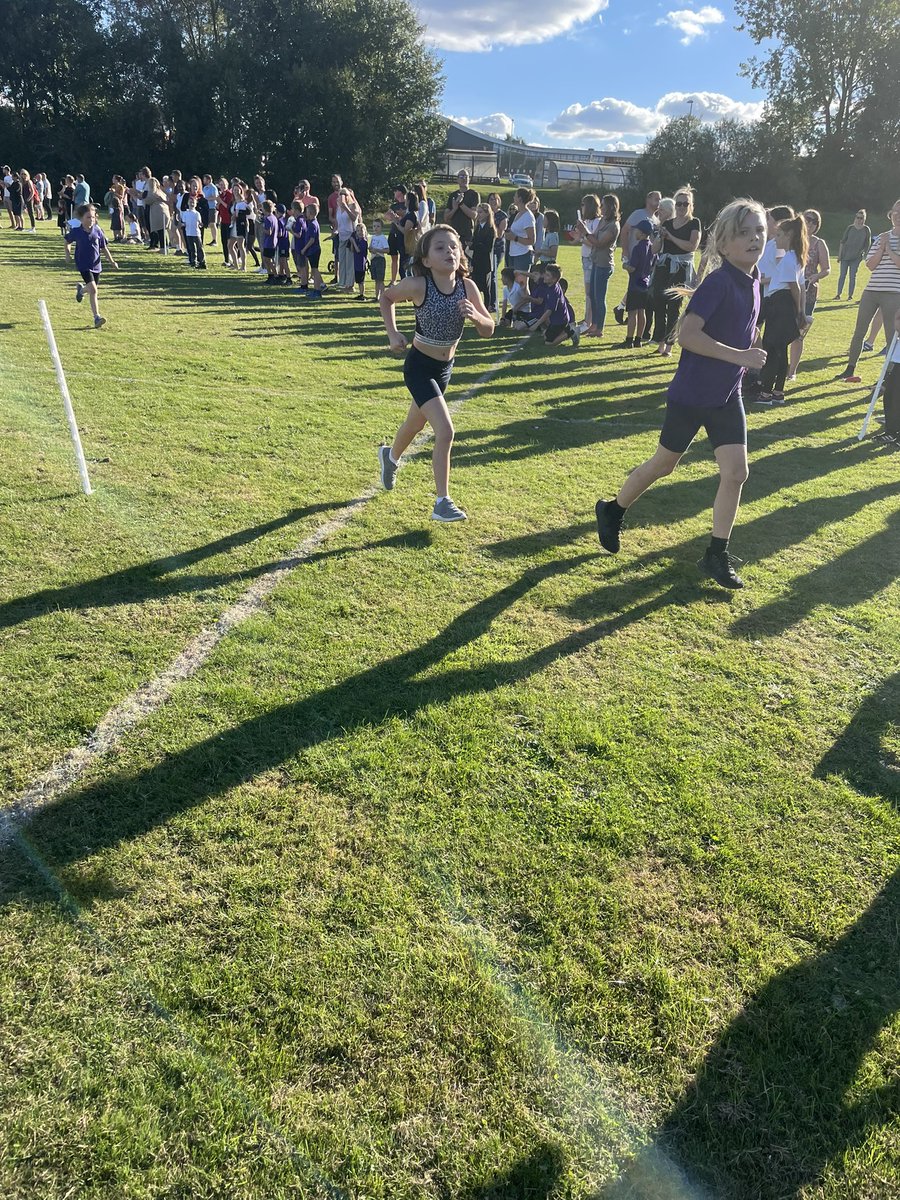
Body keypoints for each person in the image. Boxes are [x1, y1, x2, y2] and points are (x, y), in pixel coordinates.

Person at [595, 198, 768, 589]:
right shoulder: (719, 282)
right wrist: (740, 354)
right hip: (691, 396)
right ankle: (612, 510)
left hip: (727, 395)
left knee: (737, 472)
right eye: (744, 232)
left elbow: (738, 328)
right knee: (663, 465)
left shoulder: (754, 279)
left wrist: (750, 346)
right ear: (723, 245)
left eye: (759, 230)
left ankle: (716, 554)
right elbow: (688, 336)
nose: (754, 238)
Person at [378, 224, 494, 522]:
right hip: (419, 366)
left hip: (445, 369)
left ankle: (390, 457)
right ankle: (442, 502)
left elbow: (489, 329)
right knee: (445, 431)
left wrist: (476, 316)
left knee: (414, 424)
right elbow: (386, 297)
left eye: (453, 246)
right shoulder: (419, 284)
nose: (449, 252)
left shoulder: (467, 287)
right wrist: (392, 334)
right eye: (440, 247)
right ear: (426, 259)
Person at [838, 198, 900, 383]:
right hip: (872, 290)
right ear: (891, 215)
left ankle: (887, 377)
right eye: (895, 213)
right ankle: (850, 368)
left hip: (893, 293)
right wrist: (882, 247)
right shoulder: (882, 236)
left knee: (891, 336)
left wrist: (889, 249)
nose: (898, 217)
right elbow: (870, 265)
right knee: (859, 331)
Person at [756, 216, 808, 404]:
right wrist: (799, 309)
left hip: (780, 304)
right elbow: (801, 286)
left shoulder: (788, 258)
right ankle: (778, 392)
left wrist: (799, 310)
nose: (775, 238)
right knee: (780, 350)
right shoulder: (796, 257)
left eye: (779, 235)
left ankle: (766, 393)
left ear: (789, 235)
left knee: (772, 348)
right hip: (783, 305)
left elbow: (794, 286)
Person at [650, 187, 701, 355]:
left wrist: (671, 237)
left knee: (673, 305)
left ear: (691, 205)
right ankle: (659, 340)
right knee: (658, 298)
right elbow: (655, 250)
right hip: (664, 265)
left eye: (685, 204)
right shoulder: (667, 223)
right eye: (678, 204)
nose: (681, 207)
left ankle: (669, 346)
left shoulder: (694, 223)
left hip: (681, 268)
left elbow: (691, 246)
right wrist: (660, 236)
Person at [787, 209, 829, 380]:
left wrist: (815, 276)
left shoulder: (819, 244)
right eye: (806, 220)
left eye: (813, 222)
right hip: (788, 288)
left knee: (799, 332)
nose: (809, 224)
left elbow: (827, 269)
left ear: (816, 226)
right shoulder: (792, 240)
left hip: (808, 291)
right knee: (783, 329)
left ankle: (792, 371)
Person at [65, 203, 118, 327]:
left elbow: (104, 248)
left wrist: (112, 261)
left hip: (96, 265)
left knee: (91, 290)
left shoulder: (98, 231)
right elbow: (67, 242)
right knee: (94, 290)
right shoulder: (76, 231)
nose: (91, 220)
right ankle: (96, 318)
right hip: (83, 264)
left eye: (93, 217)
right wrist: (68, 254)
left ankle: (81, 291)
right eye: (88, 217)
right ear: (81, 219)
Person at [613, 190, 661, 323]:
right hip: (635, 257)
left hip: (646, 260)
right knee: (638, 285)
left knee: (640, 285)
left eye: (660, 199)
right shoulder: (638, 214)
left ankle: (623, 308)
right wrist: (625, 251)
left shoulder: (657, 219)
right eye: (656, 199)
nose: (658, 202)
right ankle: (629, 310)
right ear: (648, 199)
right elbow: (625, 231)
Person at [581, 194, 619, 338]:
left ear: (610, 207)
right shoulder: (603, 220)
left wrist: (585, 232)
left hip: (604, 264)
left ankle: (599, 328)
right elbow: (594, 237)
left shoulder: (613, 225)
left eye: (603, 205)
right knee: (592, 294)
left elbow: (599, 243)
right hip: (596, 261)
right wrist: (585, 231)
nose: (600, 208)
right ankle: (594, 325)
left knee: (599, 296)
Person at [622, 220, 656, 348]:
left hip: (635, 284)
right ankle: (638, 339)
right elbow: (653, 265)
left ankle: (629, 340)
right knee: (642, 312)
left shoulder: (638, 248)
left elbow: (632, 268)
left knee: (632, 313)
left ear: (641, 234)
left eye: (636, 231)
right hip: (645, 284)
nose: (634, 232)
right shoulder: (652, 247)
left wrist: (625, 265)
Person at [573, 193, 601, 329]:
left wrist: (582, 237)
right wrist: (577, 236)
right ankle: (586, 319)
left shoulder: (597, 222)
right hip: (585, 258)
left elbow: (593, 242)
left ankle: (588, 321)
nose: (582, 207)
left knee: (591, 292)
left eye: (584, 205)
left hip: (591, 258)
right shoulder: (588, 221)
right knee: (588, 292)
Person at [540, 263, 580, 347]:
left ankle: (570, 332)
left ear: (554, 279)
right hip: (558, 319)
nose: (544, 276)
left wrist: (537, 323)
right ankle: (565, 331)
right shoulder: (553, 284)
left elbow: (549, 311)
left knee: (548, 343)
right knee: (545, 336)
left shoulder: (553, 293)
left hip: (560, 321)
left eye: (547, 275)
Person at [836, 210, 871, 301]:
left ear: (864, 219)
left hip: (856, 257)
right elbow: (842, 242)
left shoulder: (866, 230)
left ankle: (850, 295)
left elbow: (867, 244)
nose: (859, 220)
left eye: (861, 218)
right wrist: (839, 255)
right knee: (842, 275)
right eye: (858, 217)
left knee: (852, 276)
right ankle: (838, 294)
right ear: (855, 218)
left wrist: (864, 255)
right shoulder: (850, 228)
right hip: (845, 256)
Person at [444, 169, 479, 251]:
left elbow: (474, 215)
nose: (464, 179)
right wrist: (454, 209)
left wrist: (461, 204)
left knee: (466, 260)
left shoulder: (474, 194)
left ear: (469, 179)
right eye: (461, 176)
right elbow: (446, 218)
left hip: (467, 234)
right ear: (457, 180)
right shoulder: (453, 195)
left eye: (466, 176)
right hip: (454, 233)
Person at [505, 187, 536, 274]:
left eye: (515, 196)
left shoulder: (528, 216)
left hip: (523, 254)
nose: (513, 197)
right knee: (512, 283)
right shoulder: (518, 214)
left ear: (520, 199)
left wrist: (515, 238)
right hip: (513, 253)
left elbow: (532, 240)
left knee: (521, 283)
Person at [298, 203, 326, 298]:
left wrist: (304, 249)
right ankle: (316, 289)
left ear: (310, 213)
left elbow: (312, 239)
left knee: (315, 270)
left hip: (313, 250)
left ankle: (317, 291)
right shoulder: (312, 222)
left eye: (306, 212)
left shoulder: (313, 224)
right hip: (313, 250)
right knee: (314, 270)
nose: (305, 213)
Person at [470, 202, 496, 308]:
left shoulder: (490, 229)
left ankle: (486, 307)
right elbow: (475, 242)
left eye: (480, 212)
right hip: (476, 261)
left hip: (485, 262)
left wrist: (475, 245)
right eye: (477, 212)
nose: (478, 214)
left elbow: (487, 247)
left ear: (487, 213)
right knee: (475, 285)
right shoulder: (477, 228)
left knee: (485, 288)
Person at [487, 192, 507, 311]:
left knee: (493, 274)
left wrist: (491, 221)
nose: (493, 201)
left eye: (495, 199)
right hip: (487, 249)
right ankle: (487, 301)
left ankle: (493, 303)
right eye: (491, 199)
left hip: (497, 249)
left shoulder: (502, 216)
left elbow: (499, 234)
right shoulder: (485, 214)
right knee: (487, 274)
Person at [181, 193, 206, 268]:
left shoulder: (197, 213)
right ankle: (193, 261)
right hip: (189, 233)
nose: (191, 204)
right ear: (187, 203)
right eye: (190, 202)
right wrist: (182, 224)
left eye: (193, 203)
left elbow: (200, 223)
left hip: (196, 233)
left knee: (199, 248)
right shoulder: (185, 213)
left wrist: (201, 225)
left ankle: (202, 262)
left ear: (196, 204)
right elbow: (184, 223)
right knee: (191, 249)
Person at [368, 218, 389, 300]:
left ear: (381, 227)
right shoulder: (373, 237)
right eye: (374, 226)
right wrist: (370, 249)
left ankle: (383, 297)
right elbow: (370, 247)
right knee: (376, 280)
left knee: (380, 280)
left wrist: (377, 250)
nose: (375, 228)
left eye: (378, 226)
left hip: (380, 259)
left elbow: (387, 250)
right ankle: (377, 296)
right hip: (373, 259)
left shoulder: (382, 238)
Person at [351, 220, 368, 298]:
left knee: (361, 281)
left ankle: (362, 294)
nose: (359, 232)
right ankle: (360, 294)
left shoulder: (363, 242)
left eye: (361, 230)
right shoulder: (358, 240)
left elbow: (358, 250)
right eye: (357, 231)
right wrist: (352, 242)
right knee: (358, 280)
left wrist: (353, 242)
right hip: (356, 263)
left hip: (361, 264)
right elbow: (352, 250)